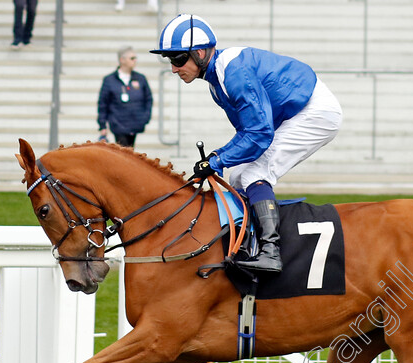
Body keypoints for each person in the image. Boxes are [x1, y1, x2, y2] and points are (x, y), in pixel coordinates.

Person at [150, 14, 343, 273]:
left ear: (200, 53)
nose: (174, 68)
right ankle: (245, 247)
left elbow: (260, 135)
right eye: (170, 60)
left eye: (178, 59)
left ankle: (270, 252)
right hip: (297, 112)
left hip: (314, 112)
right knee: (238, 175)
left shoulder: (233, 72)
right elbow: (246, 132)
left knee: (255, 172)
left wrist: (217, 159)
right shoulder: (216, 83)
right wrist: (217, 158)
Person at [97, 46, 153, 148]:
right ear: (122, 60)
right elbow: (103, 103)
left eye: (135, 58)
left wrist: (145, 118)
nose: (135, 61)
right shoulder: (109, 80)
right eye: (132, 58)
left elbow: (148, 99)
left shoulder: (140, 78)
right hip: (118, 124)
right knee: (125, 153)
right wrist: (102, 125)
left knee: (130, 151)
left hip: (135, 123)